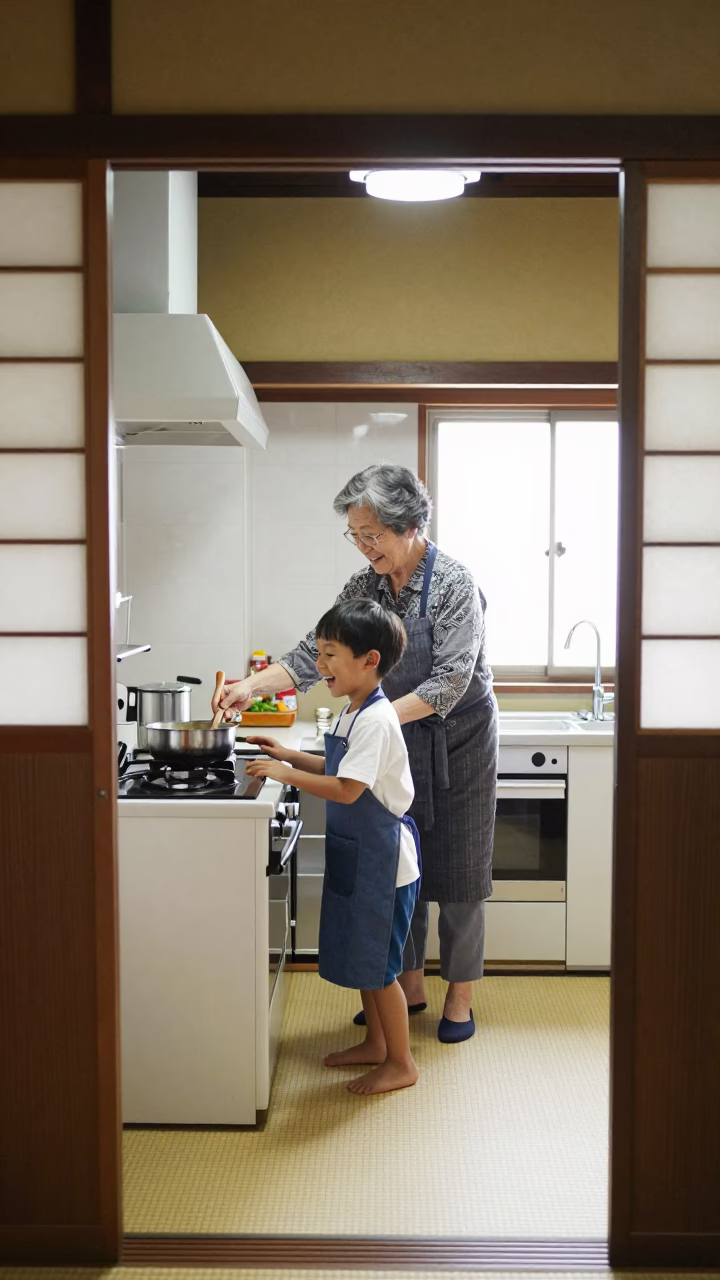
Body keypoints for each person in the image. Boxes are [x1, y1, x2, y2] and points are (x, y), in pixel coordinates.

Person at [215, 464, 498, 1044]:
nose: (365, 546)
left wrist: (370, 725)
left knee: (461, 875)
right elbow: (313, 652)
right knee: (400, 869)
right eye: (357, 534)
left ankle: (461, 999)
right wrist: (250, 686)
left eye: (373, 534)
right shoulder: (367, 585)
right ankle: (408, 986)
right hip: (394, 737)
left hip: (459, 739)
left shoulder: (453, 584)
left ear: (411, 526)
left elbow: (448, 684)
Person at [245, 598, 421, 1096]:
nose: (319, 665)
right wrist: (290, 754)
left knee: (382, 970)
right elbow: (336, 766)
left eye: (329, 655)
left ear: (369, 660)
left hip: (384, 865)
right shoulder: (354, 709)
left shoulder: (377, 719)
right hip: (360, 855)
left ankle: (402, 1062)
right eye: (319, 654)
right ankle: (377, 1046)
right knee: (368, 960)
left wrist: (286, 774)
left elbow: (348, 790)